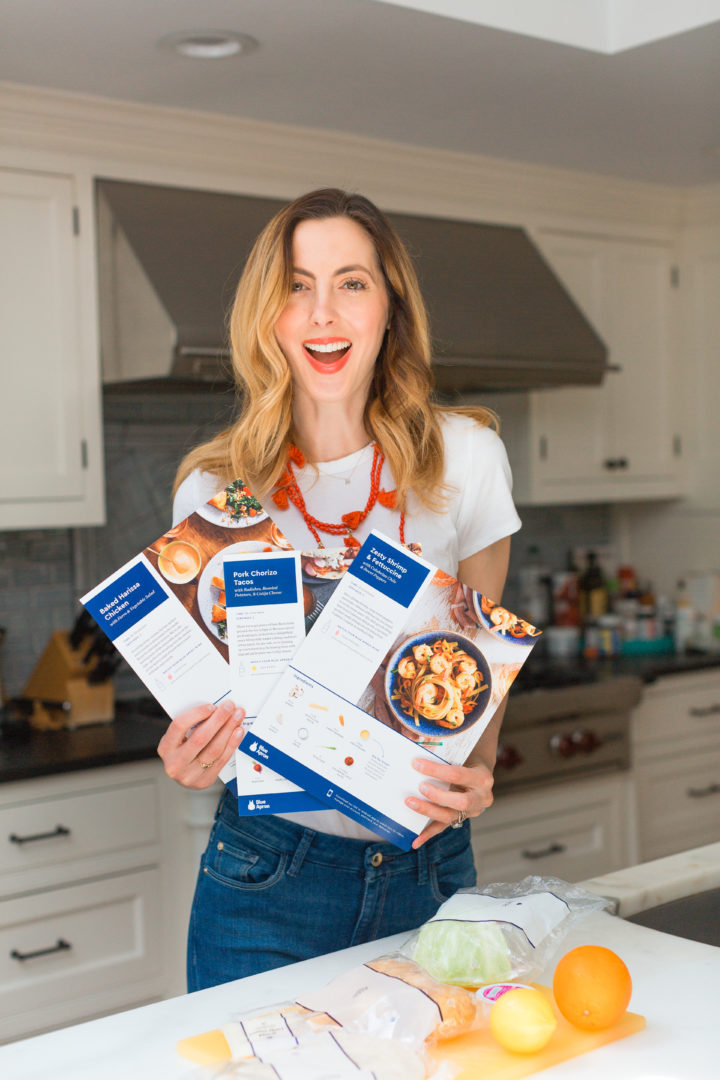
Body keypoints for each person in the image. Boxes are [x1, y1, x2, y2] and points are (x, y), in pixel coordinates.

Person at [158, 188, 522, 992]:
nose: (323, 312)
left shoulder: (468, 460)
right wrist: (191, 755)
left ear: (389, 307)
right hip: (264, 876)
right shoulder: (216, 495)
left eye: (351, 282)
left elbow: (480, 684)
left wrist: (479, 779)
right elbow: (209, 710)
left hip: (426, 873)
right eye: (297, 285)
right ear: (269, 314)